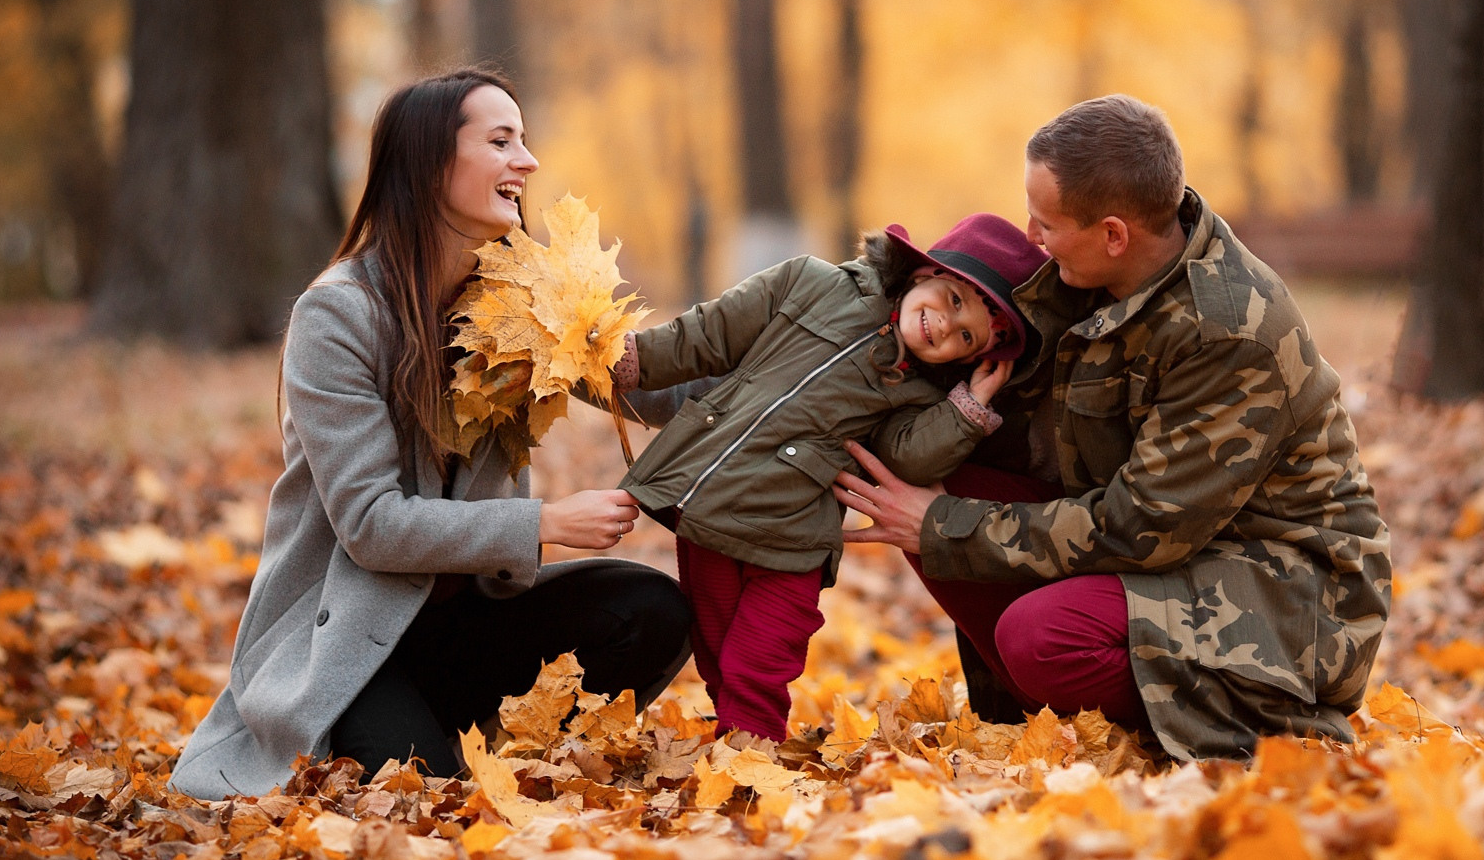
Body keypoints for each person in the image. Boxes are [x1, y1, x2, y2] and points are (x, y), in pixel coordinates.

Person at [169, 68, 693, 798]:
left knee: (652, 612)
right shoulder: (338, 316)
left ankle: (499, 744)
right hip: (349, 644)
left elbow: (656, 391)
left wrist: (807, 364)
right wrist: (546, 523)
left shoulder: (520, 301)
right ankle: (402, 736)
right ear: (429, 161)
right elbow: (371, 525)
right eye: (502, 141)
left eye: (525, 141)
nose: (528, 162)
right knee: (432, 800)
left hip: (471, 624)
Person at [834, 95, 1391, 762]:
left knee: (1039, 636)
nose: (1031, 236)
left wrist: (945, 525)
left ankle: (1263, 716)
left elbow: (1141, 526)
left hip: (1287, 590)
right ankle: (1040, 708)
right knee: (930, 465)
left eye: (1046, 223)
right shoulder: (1090, 274)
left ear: (1113, 233)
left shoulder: (1227, 330)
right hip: (1179, 555)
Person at [612, 214, 1047, 743]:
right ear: (922, 274)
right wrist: (631, 360)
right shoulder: (811, 283)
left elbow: (906, 460)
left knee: (762, 661)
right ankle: (733, 752)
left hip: (795, 540)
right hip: (714, 510)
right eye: (953, 301)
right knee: (719, 652)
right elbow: (710, 333)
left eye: (965, 337)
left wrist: (967, 409)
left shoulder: (922, 393)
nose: (944, 327)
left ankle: (755, 760)